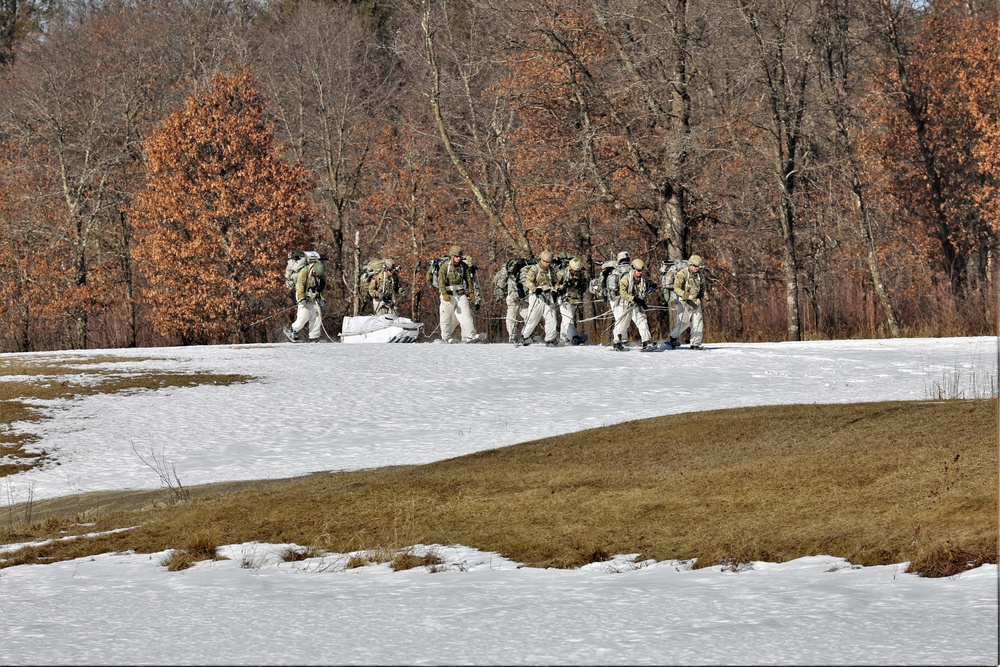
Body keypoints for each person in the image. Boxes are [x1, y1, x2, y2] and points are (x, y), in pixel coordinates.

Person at [437, 245, 482, 343]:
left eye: (460, 257)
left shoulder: (463, 266)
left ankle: (471, 335)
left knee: (466, 314)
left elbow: (468, 280)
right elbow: (441, 281)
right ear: (452, 256)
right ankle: (446, 337)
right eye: (456, 256)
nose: (458, 258)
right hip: (448, 295)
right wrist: (444, 293)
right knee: (446, 316)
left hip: (460, 294)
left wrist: (471, 292)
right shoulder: (445, 266)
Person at [613, 258, 655, 351]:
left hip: (636, 305)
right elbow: (622, 293)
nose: (640, 273)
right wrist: (634, 299)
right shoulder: (625, 279)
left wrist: (652, 285)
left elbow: (648, 283)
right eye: (638, 271)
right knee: (622, 324)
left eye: (641, 271)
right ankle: (617, 342)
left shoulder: (642, 279)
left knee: (642, 321)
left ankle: (646, 341)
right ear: (633, 269)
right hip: (625, 305)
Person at [520, 251, 559, 346]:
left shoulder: (551, 270)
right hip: (537, 295)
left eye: (549, 262)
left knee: (551, 317)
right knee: (533, 317)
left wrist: (555, 290)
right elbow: (528, 281)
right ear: (541, 260)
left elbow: (556, 282)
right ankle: (524, 336)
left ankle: (550, 339)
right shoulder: (534, 269)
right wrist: (534, 289)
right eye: (546, 261)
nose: (547, 264)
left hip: (548, 295)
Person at [668, 254, 707, 350]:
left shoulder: (700, 275)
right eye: (694, 266)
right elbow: (676, 288)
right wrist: (684, 294)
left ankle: (695, 344)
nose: (696, 268)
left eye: (698, 266)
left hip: (695, 302)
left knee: (698, 322)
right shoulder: (682, 273)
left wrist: (706, 297)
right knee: (684, 323)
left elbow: (703, 289)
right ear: (690, 264)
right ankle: (673, 338)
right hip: (683, 301)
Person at [284, 258, 326, 342]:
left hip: (314, 298)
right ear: (313, 268)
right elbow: (299, 286)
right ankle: (294, 330)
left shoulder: (321, 275)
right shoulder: (304, 271)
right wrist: (302, 298)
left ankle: (314, 337)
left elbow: (322, 288)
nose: (317, 276)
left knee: (317, 317)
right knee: (303, 317)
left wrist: (322, 299)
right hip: (304, 296)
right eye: (315, 274)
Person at [554, 256, 589, 345]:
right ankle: (574, 336)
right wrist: (564, 286)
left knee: (567, 318)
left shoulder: (581, 275)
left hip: (574, 299)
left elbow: (585, 285)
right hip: (564, 298)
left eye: (578, 271)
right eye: (574, 271)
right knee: (568, 318)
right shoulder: (561, 274)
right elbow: (555, 285)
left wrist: (582, 289)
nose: (576, 273)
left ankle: (564, 337)